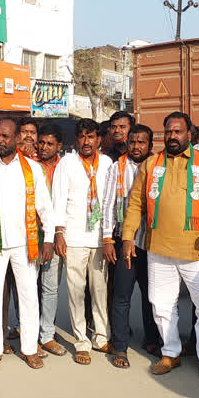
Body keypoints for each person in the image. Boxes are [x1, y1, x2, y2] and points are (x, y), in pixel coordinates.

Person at [121, 112, 199, 383]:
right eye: (168, 132)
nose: (172, 137)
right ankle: (171, 352)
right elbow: (135, 203)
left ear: (189, 134)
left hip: (198, 250)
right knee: (162, 304)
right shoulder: (151, 164)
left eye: (178, 132)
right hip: (158, 249)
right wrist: (128, 236)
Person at [0, 118, 55, 370]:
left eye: (5, 136)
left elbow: (45, 207)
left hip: (25, 243)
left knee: (29, 297)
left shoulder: (32, 168)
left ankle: (30, 349)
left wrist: (49, 239)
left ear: (16, 139)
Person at [53, 118, 113, 365]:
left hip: (100, 237)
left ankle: (101, 336)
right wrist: (59, 233)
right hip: (74, 236)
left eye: (91, 136)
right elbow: (58, 198)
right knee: (76, 292)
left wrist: (110, 235)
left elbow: (111, 201)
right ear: (76, 140)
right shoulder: (67, 163)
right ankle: (81, 341)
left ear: (99, 139)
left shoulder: (108, 163)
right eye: (82, 137)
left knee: (100, 290)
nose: (86, 142)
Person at [102, 124, 162, 368]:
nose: (136, 147)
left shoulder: (160, 166)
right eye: (133, 142)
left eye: (141, 142)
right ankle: (120, 346)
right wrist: (107, 239)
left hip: (152, 242)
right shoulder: (118, 167)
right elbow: (107, 204)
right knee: (122, 295)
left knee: (153, 295)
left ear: (150, 145)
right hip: (123, 240)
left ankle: (152, 339)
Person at [37, 123, 67, 357]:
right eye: (42, 142)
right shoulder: (28, 165)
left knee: (49, 287)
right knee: (27, 287)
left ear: (59, 146)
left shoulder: (65, 167)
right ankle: (28, 331)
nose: (44, 147)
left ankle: (46, 334)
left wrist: (58, 233)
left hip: (55, 234)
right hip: (30, 233)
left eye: (50, 144)